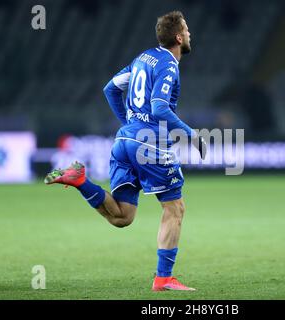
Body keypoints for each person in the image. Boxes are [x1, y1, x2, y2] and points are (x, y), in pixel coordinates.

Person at [44, 11, 206, 291]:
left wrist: (130, 125)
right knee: (175, 207)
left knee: (122, 216)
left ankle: (80, 180)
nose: (190, 34)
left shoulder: (143, 58)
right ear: (179, 37)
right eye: (187, 30)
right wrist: (191, 135)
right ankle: (163, 279)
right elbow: (159, 107)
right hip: (150, 144)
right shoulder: (168, 64)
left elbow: (110, 89)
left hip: (124, 141)